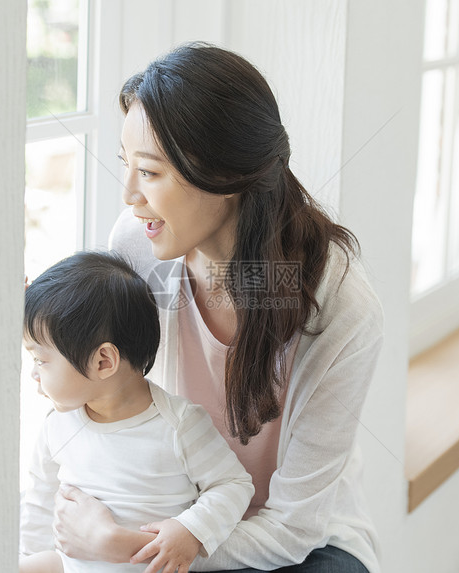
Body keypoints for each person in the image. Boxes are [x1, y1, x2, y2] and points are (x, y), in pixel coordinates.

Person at [52, 43, 384, 573]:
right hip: (179, 509)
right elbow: (88, 371)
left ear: (225, 178)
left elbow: (295, 527)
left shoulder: (337, 305)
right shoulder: (140, 246)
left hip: (303, 543)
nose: (130, 196)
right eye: (126, 166)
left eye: (151, 173)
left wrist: (125, 547)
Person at [19, 251, 254, 573]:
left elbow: (233, 484)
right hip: (69, 563)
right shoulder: (57, 425)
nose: (34, 373)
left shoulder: (178, 425)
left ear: (103, 362)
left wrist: (191, 530)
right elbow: (40, 501)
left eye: (41, 360)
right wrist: (29, 554)